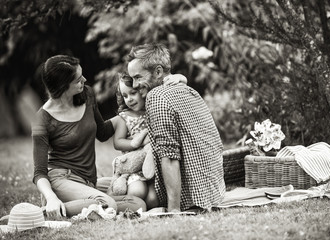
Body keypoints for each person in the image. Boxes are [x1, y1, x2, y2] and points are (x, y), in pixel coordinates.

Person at [32, 55, 146, 218]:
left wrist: (128, 117)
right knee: (107, 203)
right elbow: (39, 172)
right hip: (61, 180)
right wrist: (50, 197)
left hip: (89, 181)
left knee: (137, 203)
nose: (84, 80)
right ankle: (46, 211)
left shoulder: (86, 95)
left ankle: (72, 207)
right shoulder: (42, 119)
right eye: (78, 79)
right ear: (63, 86)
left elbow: (102, 132)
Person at [127, 43, 226, 212]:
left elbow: (169, 155)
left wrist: (173, 210)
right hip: (214, 193)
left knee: (136, 197)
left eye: (137, 77)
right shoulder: (188, 90)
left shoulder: (157, 96)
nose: (134, 85)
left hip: (192, 198)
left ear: (158, 72)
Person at [108, 72, 187, 206]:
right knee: (137, 192)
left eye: (133, 93)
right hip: (135, 168)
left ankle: (147, 203)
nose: (129, 99)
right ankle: (116, 199)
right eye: (125, 96)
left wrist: (180, 77)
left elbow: (177, 81)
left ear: (142, 90)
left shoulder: (155, 108)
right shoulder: (125, 117)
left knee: (153, 200)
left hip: (154, 165)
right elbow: (118, 142)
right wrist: (134, 143)